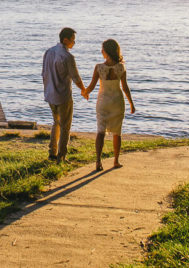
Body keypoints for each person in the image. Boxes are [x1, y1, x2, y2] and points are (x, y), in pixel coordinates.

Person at [83, 38, 135, 170]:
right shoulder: (121, 67)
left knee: (100, 131)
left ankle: (98, 162)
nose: (101, 51)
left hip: (103, 102)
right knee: (117, 132)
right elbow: (125, 88)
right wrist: (131, 104)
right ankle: (116, 161)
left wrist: (84, 92)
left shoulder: (99, 67)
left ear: (106, 52)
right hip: (117, 102)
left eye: (102, 50)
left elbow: (91, 86)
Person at [42, 27, 87, 161]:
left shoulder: (49, 52)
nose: (74, 43)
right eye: (73, 41)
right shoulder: (68, 56)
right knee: (65, 126)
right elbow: (76, 78)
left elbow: (44, 73)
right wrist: (84, 90)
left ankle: (52, 152)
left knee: (56, 123)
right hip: (63, 95)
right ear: (65, 40)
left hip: (50, 94)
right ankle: (61, 156)